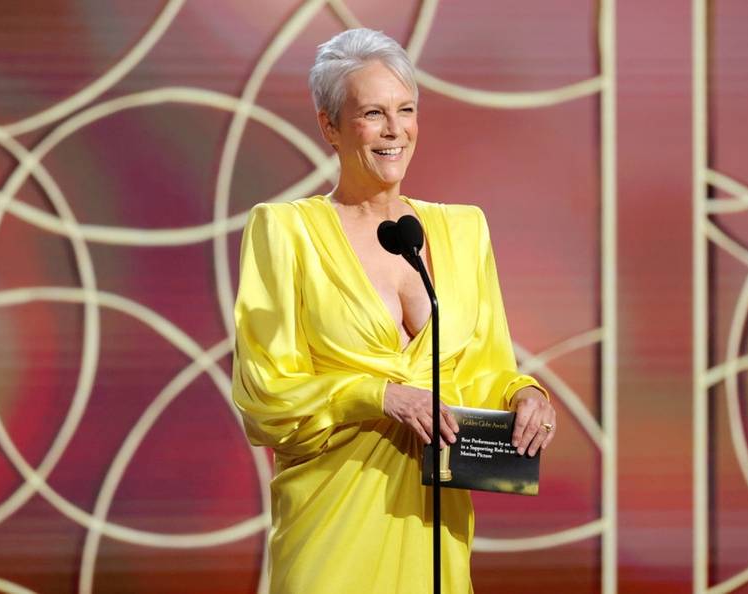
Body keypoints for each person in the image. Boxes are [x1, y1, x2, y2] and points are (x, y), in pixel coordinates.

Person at [231, 28, 558, 594]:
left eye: (406, 110)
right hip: (333, 521)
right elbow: (265, 396)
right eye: (372, 113)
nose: (394, 130)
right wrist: (378, 395)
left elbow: (486, 369)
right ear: (329, 126)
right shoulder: (284, 231)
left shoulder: (464, 230)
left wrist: (525, 396)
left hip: (436, 528)